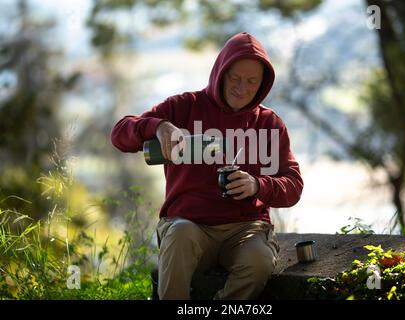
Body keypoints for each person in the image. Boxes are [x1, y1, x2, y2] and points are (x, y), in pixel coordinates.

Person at [111, 32, 304, 300]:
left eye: (252, 81)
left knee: (259, 261)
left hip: (245, 228)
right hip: (188, 224)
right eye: (235, 78)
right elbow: (119, 134)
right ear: (220, 73)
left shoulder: (270, 125)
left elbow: (294, 186)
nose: (242, 87)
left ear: (263, 84)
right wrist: (157, 126)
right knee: (180, 234)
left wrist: (257, 185)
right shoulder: (184, 107)